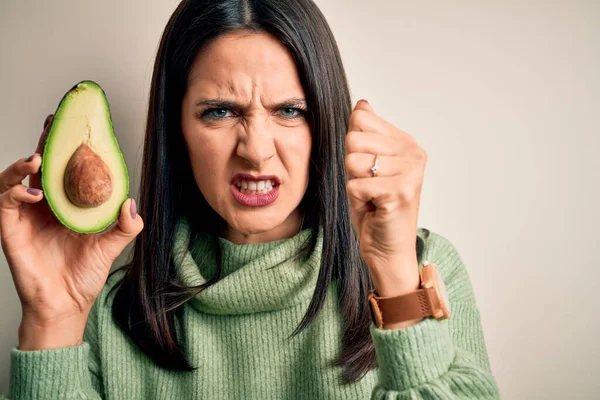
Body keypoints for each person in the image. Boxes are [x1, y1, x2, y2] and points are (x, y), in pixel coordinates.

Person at [0, 0, 500, 398]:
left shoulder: (424, 270)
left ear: (326, 123)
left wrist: (393, 275)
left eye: (289, 110)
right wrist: (53, 317)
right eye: (219, 112)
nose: (257, 151)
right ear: (176, 132)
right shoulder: (105, 312)